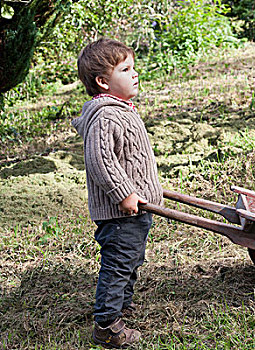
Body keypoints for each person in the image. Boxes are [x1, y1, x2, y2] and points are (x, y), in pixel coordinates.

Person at [72, 38, 163, 348]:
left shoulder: (121, 110)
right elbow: (101, 160)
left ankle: (121, 304)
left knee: (132, 259)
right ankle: (107, 325)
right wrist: (124, 194)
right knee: (118, 263)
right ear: (103, 81)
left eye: (133, 67)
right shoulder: (106, 115)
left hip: (136, 211)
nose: (135, 74)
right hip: (121, 213)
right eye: (126, 69)